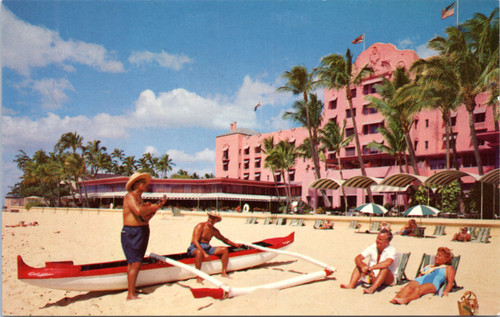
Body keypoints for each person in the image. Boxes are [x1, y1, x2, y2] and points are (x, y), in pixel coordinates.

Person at [121, 172, 167, 300]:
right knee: (134, 263)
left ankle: (132, 290)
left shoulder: (140, 198)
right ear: (135, 184)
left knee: (136, 262)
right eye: (142, 182)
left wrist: (157, 206)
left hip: (141, 231)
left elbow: (145, 218)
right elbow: (138, 211)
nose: (145, 185)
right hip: (132, 232)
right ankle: (130, 294)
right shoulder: (130, 196)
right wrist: (152, 206)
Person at [187, 211, 243, 284]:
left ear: (216, 221)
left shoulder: (214, 231)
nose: (211, 219)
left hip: (207, 248)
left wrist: (235, 244)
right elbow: (195, 241)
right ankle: (198, 276)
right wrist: (204, 253)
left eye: (213, 218)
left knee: (224, 250)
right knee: (199, 252)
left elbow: (224, 239)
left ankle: (224, 273)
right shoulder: (200, 226)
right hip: (195, 248)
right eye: (210, 217)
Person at [390, 247, 455, 305]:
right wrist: (407, 285)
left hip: (432, 283)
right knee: (408, 288)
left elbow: (450, 282)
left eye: (439, 256)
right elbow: (419, 276)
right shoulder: (429, 266)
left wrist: (446, 291)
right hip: (420, 280)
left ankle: (405, 300)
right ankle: (397, 298)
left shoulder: (448, 268)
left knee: (418, 289)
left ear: (445, 259)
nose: (436, 256)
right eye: (436, 255)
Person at [340, 229, 397, 294]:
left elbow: (387, 262)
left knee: (384, 269)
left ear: (387, 243)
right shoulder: (372, 247)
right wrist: (362, 266)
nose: (377, 241)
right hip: (373, 275)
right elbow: (358, 258)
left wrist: (371, 268)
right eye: (377, 238)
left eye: (380, 240)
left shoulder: (391, 250)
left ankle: (372, 288)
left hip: (388, 279)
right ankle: (351, 285)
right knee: (359, 264)